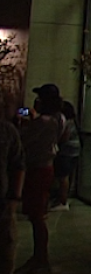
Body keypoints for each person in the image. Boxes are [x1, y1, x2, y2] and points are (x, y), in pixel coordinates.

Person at [16, 85, 66, 274]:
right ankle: (39, 257)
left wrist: (24, 123)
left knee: (36, 215)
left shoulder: (44, 122)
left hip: (37, 169)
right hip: (45, 168)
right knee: (37, 214)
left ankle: (40, 258)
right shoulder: (59, 119)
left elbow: (23, 140)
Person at [0, 91, 25, 274]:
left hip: (3, 203)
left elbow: (18, 164)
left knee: (6, 252)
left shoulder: (7, 131)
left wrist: (14, 198)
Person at [49, 101, 79, 212]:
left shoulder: (67, 122)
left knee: (63, 176)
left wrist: (57, 141)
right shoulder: (73, 122)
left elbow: (65, 137)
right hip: (74, 151)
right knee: (67, 176)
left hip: (66, 151)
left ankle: (62, 201)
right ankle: (63, 198)